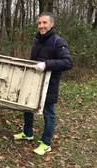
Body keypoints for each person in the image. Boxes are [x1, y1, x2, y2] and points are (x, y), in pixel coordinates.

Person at [13, 12, 73, 155]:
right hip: (33, 82)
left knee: (49, 113)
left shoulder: (58, 42)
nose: (41, 26)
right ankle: (28, 133)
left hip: (49, 85)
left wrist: (46, 64)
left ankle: (46, 143)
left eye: (44, 23)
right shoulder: (38, 40)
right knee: (27, 106)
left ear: (52, 24)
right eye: (39, 23)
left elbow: (68, 62)